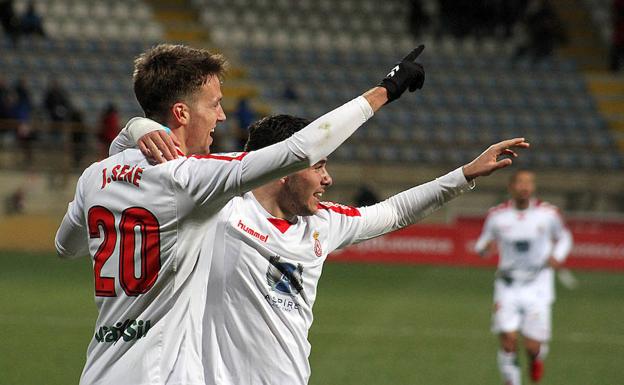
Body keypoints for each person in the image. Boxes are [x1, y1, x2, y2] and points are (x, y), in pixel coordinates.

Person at [55, 43, 427, 385]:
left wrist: (132, 130)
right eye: (213, 104)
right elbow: (299, 150)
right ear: (181, 112)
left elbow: (65, 246)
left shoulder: (94, 177)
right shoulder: (192, 178)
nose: (221, 115)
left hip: (99, 372)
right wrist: (386, 90)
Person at [125, 113, 529, 384]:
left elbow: (393, 212)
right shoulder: (221, 210)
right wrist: (137, 127)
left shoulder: (325, 223)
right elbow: (145, 163)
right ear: (281, 168)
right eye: (318, 165)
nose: (328, 178)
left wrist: (464, 175)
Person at [474, 169, 572, 385]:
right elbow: (481, 243)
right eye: (520, 183)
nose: (524, 187)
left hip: (537, 285)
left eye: (528, 183)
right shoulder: (497, 216)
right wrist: (485, 249)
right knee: (508, 340)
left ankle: (536, 358)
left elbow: (564, 237)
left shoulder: (548, 214)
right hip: (507, 284)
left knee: (532, 346)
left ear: (534, 187)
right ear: (511, 187)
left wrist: (557, 255)